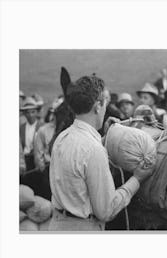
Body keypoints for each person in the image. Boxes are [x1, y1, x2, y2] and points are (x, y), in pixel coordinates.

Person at [49, 72, 154, 231]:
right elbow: (106, 211)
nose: (105, 107)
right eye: (105, 103)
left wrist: (104, 137)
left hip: (57, 225)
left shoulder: (62, 138)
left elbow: (79, 161)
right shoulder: (94, 150)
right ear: (98, 106)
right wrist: (137, 180)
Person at [34, 96, 64, 172]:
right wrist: (42, 166)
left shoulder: (69, 130)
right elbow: (39, 152)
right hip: (48, 169)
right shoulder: (43, 130)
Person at [20, 97, 43, 171]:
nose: (30, 115)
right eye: (27, 112)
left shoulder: (42, 127)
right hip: (24, 160)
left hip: (37, 160)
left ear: (37, 112)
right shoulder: (21, 128)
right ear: (24, 114)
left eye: (33, 112)